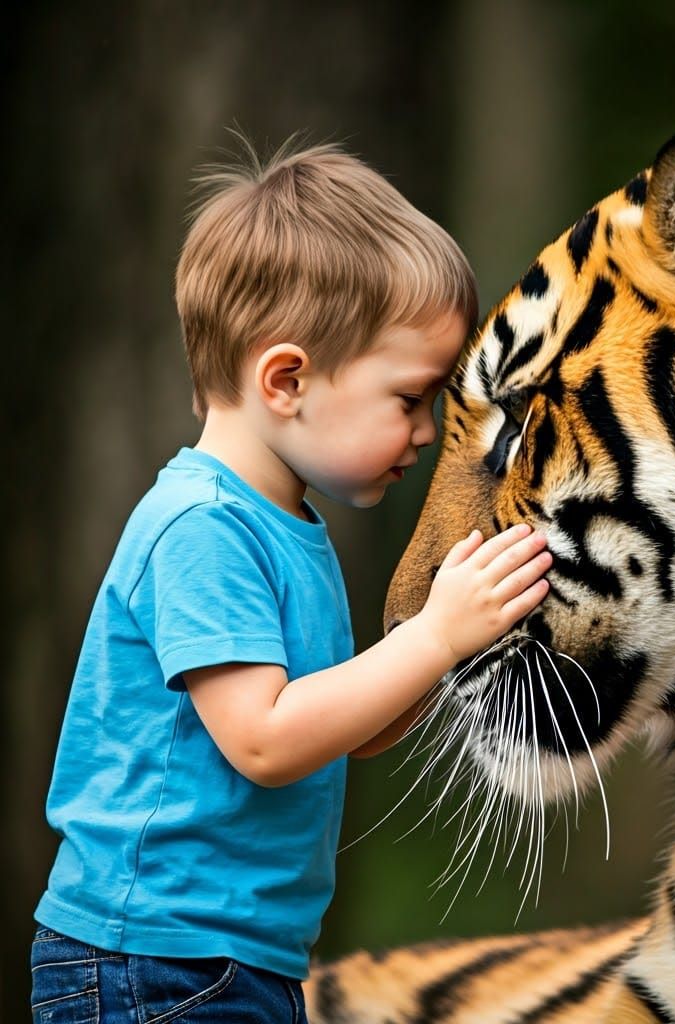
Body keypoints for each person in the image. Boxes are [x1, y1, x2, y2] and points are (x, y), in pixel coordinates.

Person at [30, 140, 551, 1023]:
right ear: (287, 380)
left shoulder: (290, 527)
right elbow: (266, 742)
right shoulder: (203, 527)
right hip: (150, 959)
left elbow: (345, 731)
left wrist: (451, 647)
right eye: (410, 398)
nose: (427, 432)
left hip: (235, 958)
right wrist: (431, 638)